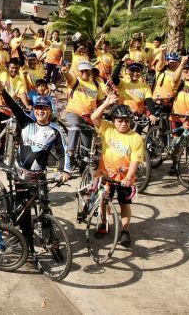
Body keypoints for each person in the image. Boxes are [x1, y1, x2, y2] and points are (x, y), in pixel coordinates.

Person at [0, 81, 71, 247]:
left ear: (50, 111)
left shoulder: (55, 131)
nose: (40, 111)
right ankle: (27, 244)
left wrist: (65, 171)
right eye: (38, 108)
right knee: (23, 210)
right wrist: (3, 91)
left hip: (39, 177)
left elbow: (63, 152)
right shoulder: (26, 122)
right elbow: (14, 106)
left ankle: (49, 238)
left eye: (44, 109)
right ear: (34, 110)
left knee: (44, 206)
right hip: (20, 174)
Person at [90, 95, 145, 248]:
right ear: (113, 121)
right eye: (120, 120)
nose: (123, 124)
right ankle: (103, 223)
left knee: (124, 204)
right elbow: (94, 117)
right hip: (105, 174)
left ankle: (125, 231)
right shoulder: (107, 128)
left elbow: (135, 160)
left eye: (126, 120)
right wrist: (106, 103)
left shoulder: (136, 138)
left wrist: (128, 177)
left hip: (124, 178)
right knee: (104, 200)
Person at [62, 61, 105, 163]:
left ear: (90, 71)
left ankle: (83, 165)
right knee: (75, 127)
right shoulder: (76, 81)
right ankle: (70, 153)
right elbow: (69, 78)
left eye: (86, 70)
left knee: (86, 148)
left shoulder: (96, 84)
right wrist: (65, 72)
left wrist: (101, 112)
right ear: (78, 72)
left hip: (90, 116)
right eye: (82, 70)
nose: (84, 72)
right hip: (74, 112)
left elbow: (100, 100)